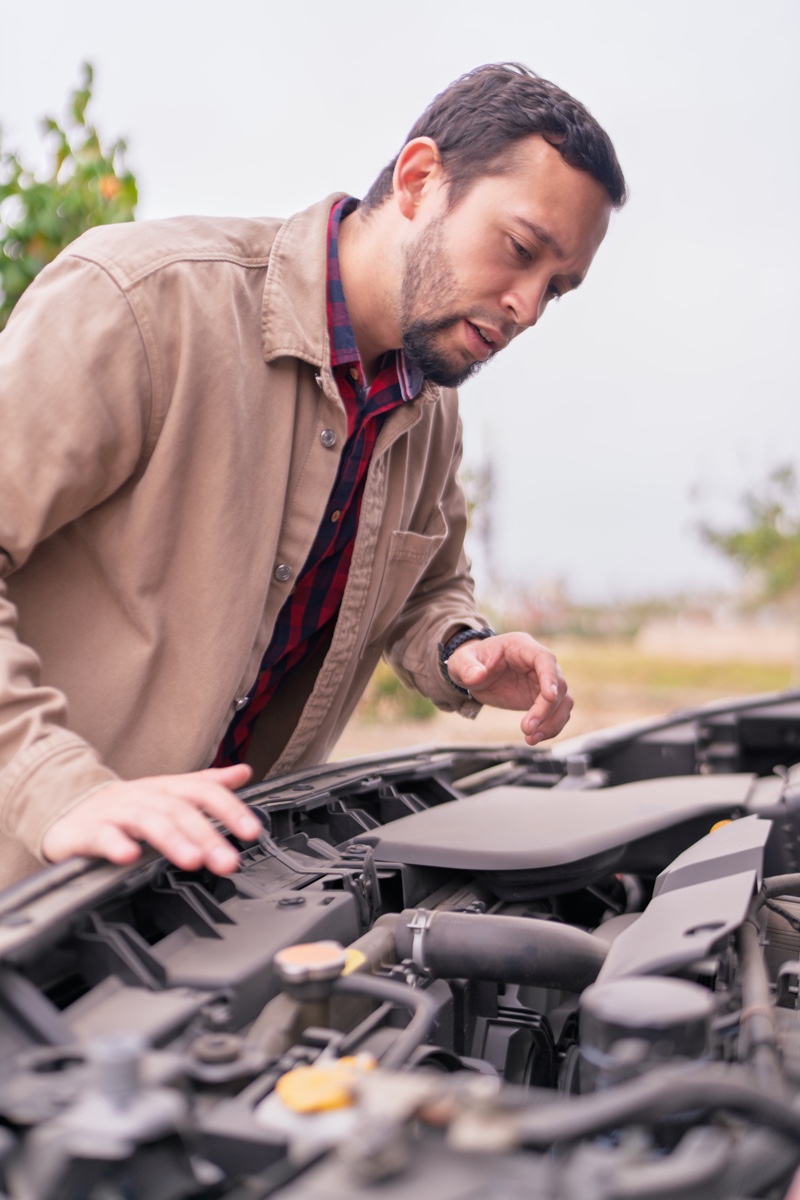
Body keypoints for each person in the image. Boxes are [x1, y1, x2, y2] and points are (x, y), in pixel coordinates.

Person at [0, 63, 626, 886]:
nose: (528, 308)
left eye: (559, 288)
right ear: (419, 179)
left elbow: (428, 589)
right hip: (27, 894)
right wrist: (59, 787)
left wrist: (460, 649)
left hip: (190, 909)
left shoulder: (428, 407)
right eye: (520, 250)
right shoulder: (143, 303)